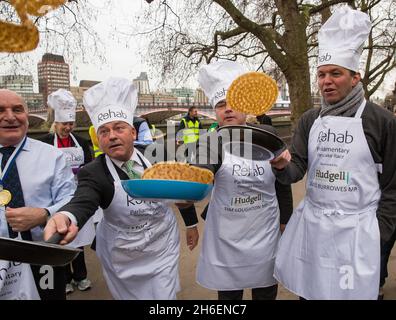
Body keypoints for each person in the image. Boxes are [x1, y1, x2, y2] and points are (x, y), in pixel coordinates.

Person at [270, 6, 396, 300]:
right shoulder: (309, 120)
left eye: (335, 73)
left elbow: (393, 186)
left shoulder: (382, 122)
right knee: (311, 294)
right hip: (315, 231)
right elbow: (296, 168)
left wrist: (381, 233)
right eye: (322, 74)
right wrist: (280, 164)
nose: (326, 81)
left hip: (360, 234)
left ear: (355, 77)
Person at [43, 77, 195, 300]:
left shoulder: (159, 154)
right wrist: (67, 216)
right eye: (104, 131)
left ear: (133, 133)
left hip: (162, 244)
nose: (112, 135)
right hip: (123, 254)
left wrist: (191, 223)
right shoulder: (93, 172)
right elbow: (83, 200)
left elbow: (180, 187)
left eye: (118, 128)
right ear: (99, 140)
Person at [180, 60, 293, 300]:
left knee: (265, 291)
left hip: (266, 230)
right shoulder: (210, 143)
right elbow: (200, 171)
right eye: (221, 105)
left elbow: (281, 181)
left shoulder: (268, 135)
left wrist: (286, 219)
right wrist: (188, 190)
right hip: (227, 236)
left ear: (246, 106)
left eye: (232, 103)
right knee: (229, 297)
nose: (227, 109)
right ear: (215, 111)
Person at [0, 89, 75, 300]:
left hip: (43, 255)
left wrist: (45, 213)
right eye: (1, 110)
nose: (10, 116)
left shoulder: (52, 157)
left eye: (17, 109)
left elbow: (71, 199)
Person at [40, 89, 94, 294]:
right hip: (54, 197)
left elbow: (89, 165)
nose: (68, 127)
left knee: (77, 239)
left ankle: (81, 276)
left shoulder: (80, 141)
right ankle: (64, 278)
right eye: (64, 124)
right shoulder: (45, 142)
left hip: (77, 195)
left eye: (70, 124)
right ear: (56, 123)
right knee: (58, 239)